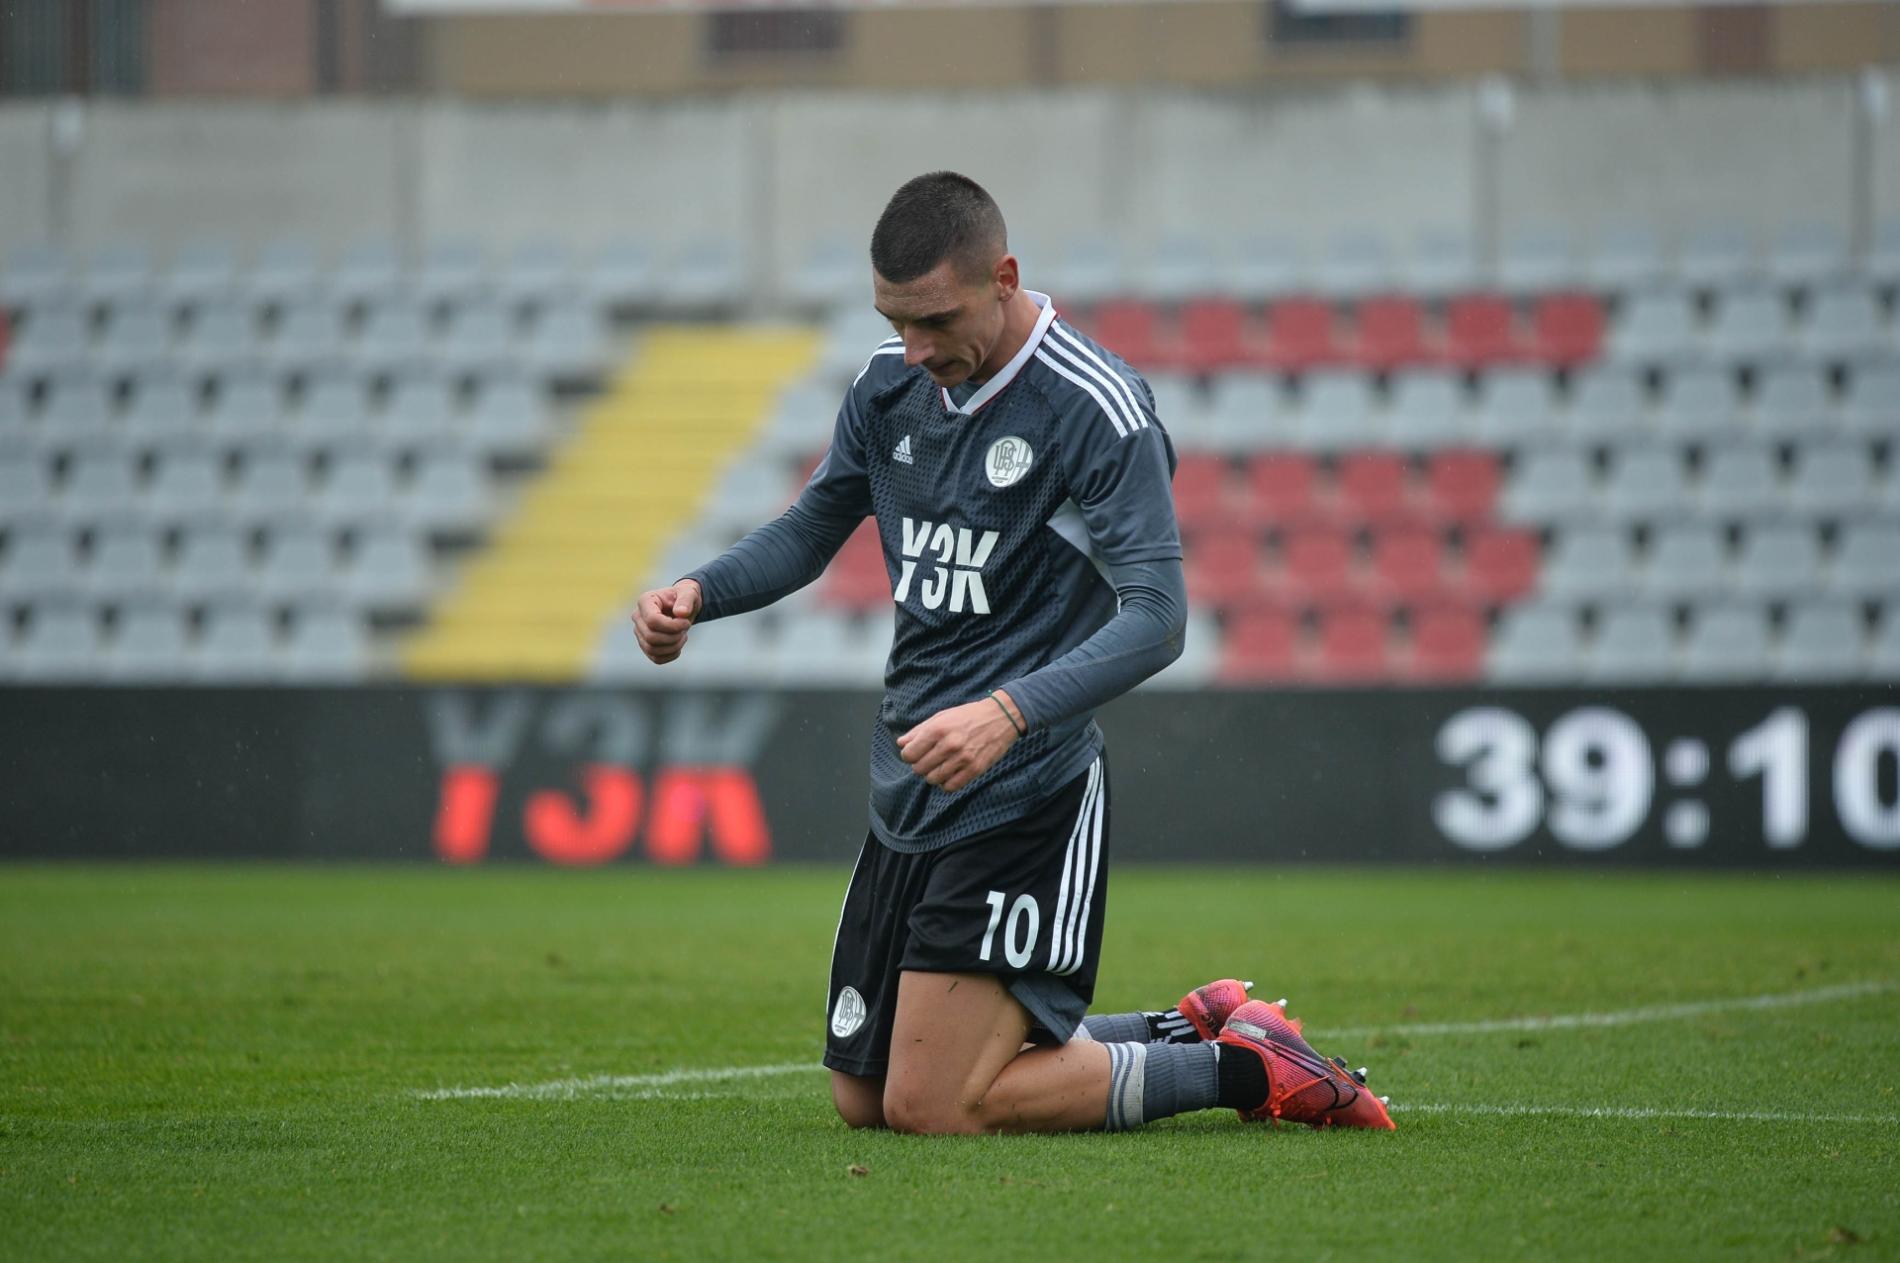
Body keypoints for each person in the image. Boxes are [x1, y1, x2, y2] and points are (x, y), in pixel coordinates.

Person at [633, 171, 1393, 1135]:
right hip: (912, 778)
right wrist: (702, 593)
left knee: (936, 1103)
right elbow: (816, 521)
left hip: (1025, 788)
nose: (914, 348)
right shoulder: (890, 381)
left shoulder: (1094, 406)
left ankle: (1242, 1070)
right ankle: (1182, 1025)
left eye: (936, 320)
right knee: (863, 1096)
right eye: (894, 320)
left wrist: (1009, 711)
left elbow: (1159, 614)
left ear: (1005, 276)